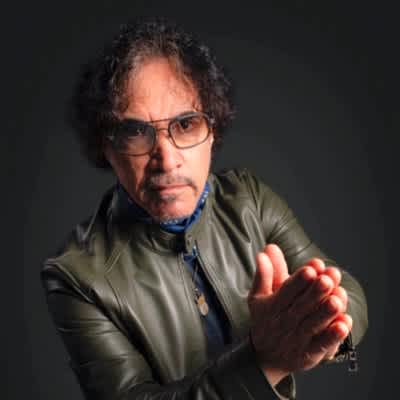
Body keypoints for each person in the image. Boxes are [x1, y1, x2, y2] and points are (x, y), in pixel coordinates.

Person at [41, 18, 368, 400]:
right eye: (135, 132)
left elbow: (349, 295)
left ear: (213, 132)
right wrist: (266, 359)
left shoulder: (248, 200)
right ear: (107, 147)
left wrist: (324, 328)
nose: (167, 159)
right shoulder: (77, 276)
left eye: (186, 124)